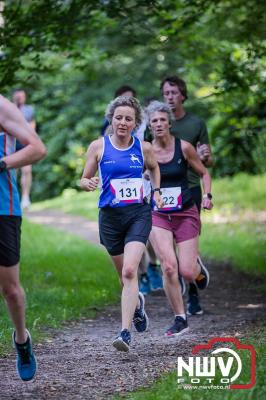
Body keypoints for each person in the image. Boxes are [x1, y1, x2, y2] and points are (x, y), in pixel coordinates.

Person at [80, 96, 163, 352]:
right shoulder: (98, 147)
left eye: (128, 119)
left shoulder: (144, 147)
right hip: (110, 217)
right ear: (111, 119)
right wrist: (87, 183)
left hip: (138, 214)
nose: (123, 123)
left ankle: (125, 333)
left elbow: (155, 168)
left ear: (135, 122)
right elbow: (84, 178)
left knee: (130, 271)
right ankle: (136, 307)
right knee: (123, 276)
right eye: (119, 118)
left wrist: (157, 190)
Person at [146, 100, 213, 336]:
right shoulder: (145, 150)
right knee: (168, 266)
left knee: (186, 271)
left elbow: (203, 172)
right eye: (154, 120)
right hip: (158, 214)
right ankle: (180, 317)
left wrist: (207, 195)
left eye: (163, 119)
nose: (159, 124)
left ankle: (196, 269)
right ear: (149, 125)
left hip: (185, 211)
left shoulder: (183, 147)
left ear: (169, 123)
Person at [0, 94, 46, 380]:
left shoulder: (3, 108)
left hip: (2, 207)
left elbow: (37, 149)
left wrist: (2, 164)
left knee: (11, 291)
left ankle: (21, 340)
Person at [160, 75, 213, 316]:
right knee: (167, 245)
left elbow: (207, 160)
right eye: (166, 93)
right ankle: (179, 279)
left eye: (173, 92)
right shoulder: (157, 124)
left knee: (186, 243)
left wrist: (205, 156)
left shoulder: (195, 123)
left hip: (190, 187)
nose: (169, 97)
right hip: (164, 190)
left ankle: (192, 294)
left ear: (182, 95)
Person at [12, 89, 37, 210]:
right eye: (18, 97)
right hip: (12, 144)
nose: (20, 98)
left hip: (25, 143)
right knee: (13, 172)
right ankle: (14, 197)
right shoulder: (9, 109)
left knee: (27, 171)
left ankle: (25, 198)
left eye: (22, 96)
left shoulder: (29, 109)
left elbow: (32, 126)